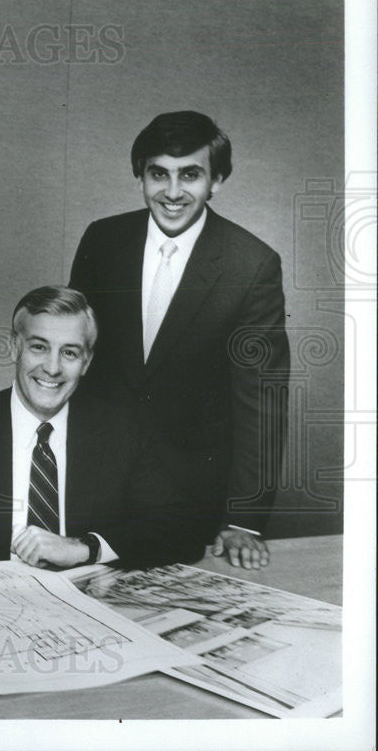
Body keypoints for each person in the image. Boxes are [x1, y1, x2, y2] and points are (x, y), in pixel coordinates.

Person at [69, 111, 290, 570]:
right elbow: (72, 357)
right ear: (140, 177)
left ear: (217, 181)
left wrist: (244, 520)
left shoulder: (252, 266)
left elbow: (260, 402)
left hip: (189, 501)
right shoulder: (102, 240)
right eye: (158, 175)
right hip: (94, 487)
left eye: (190, 174)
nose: (172, 192)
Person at [0, 286, 206, 569]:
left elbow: (182, 531)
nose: (52, 368)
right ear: (13, 348)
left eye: (69, 353)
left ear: (86, 362)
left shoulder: (122, 431)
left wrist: (86, 548)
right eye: (39, 347)